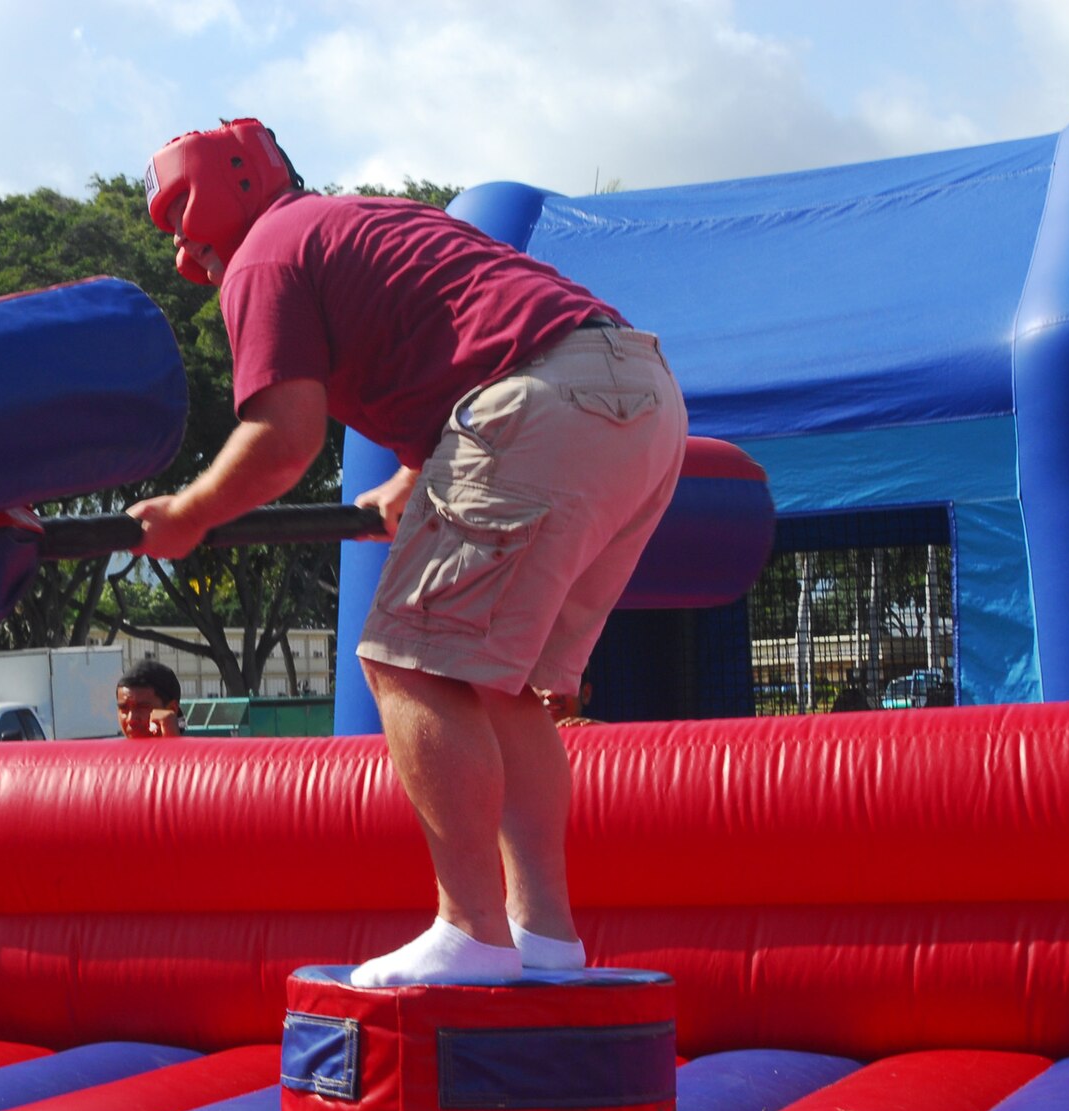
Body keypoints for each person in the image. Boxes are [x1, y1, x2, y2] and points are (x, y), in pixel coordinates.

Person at [129, 119, 686, 987]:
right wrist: (420, 475)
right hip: (640, 397)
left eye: (178, 220)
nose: (181, 249)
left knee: (409, 661)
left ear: (217, 197)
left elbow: (283, 439)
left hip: (539, 405)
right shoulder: (358, 220)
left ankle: (470, 929)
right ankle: (545, 935)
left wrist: (193, 511)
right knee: (502, 684)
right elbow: (469, 331)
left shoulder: (266, 256)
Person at [117, 659, 184, 739]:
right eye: (123, 708)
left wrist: (172, 740)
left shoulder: (197, 751)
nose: (131, 719)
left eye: (142, 707)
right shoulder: (108, 751)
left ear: (171, 709)